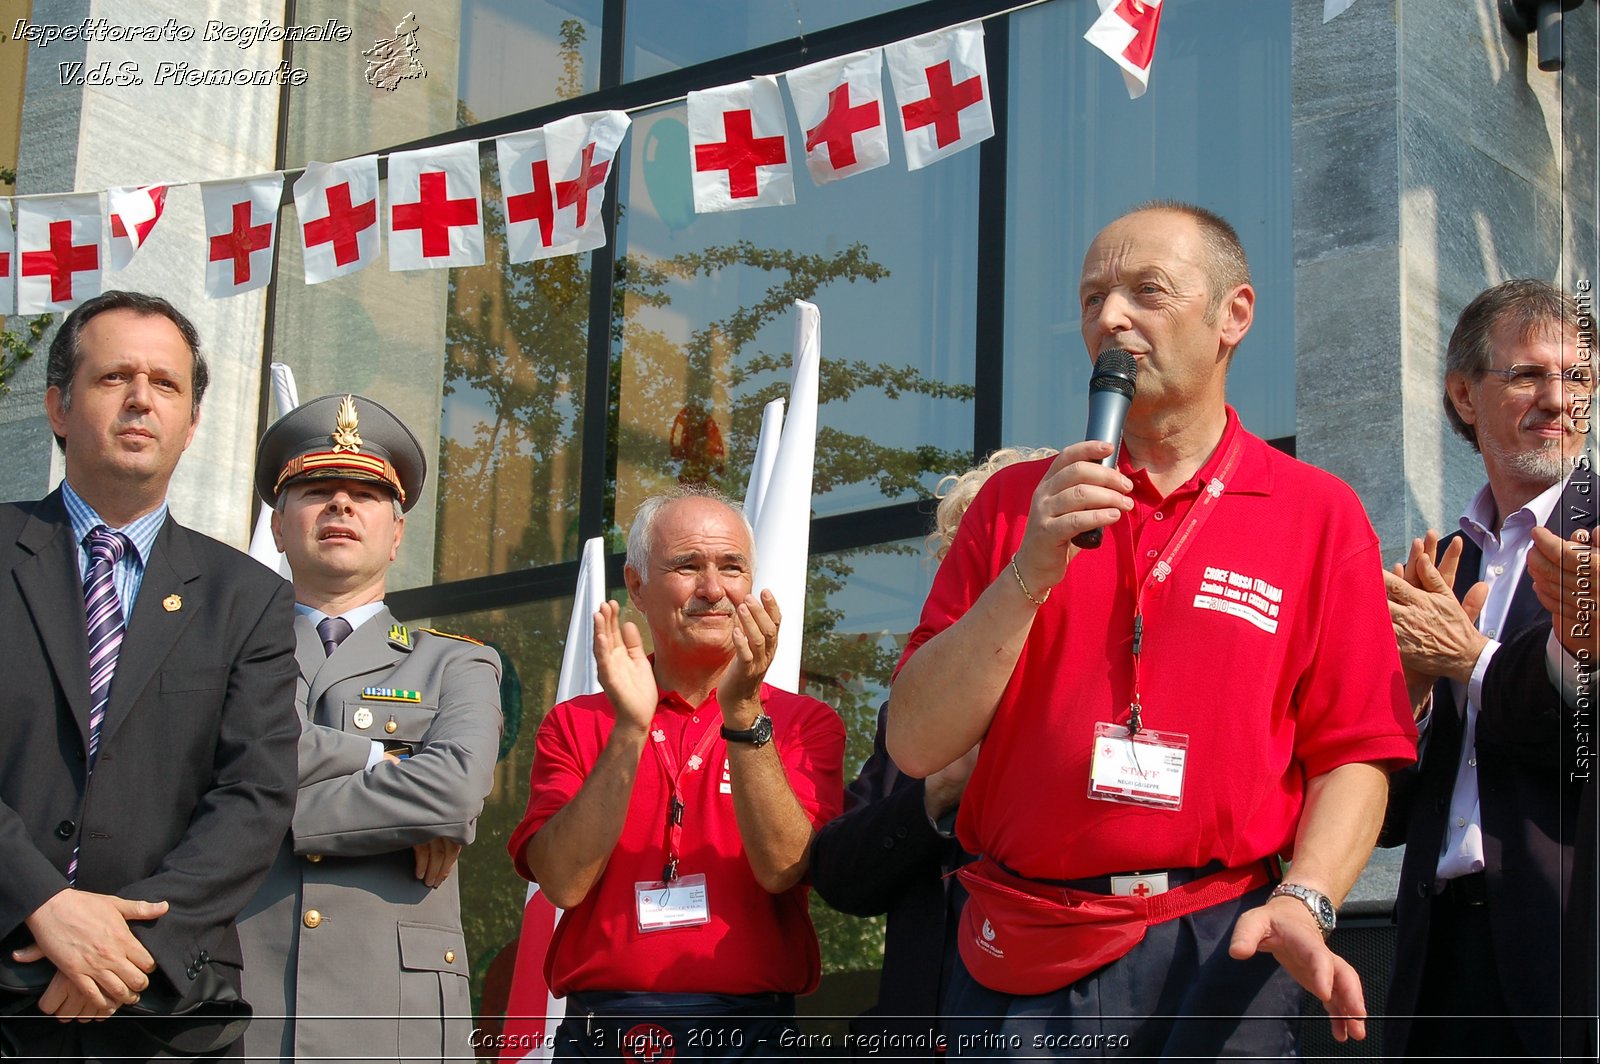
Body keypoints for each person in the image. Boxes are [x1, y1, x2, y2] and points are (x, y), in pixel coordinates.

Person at [887, 202, 1417, 1057]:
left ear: (1232, 317)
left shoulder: (1317, 514)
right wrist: (1028, 575)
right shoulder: (1017, 507)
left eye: (1147, 291)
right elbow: (914, 742)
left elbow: (1357, 747)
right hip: (1022, 948)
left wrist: (1307, 897)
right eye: (1093, 296)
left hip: (1223, 939)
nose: (1110, 318)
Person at [0, 290, 299, 1060]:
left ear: (192, 424)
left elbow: (255, 796)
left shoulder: (249, 596)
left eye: (165, 384)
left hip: (163, 1007)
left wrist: (122, 947)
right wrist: (41, 903)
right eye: (113, 379)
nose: (141, 399)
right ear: (58, 408)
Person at [508, 486, 845, 1060]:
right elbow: (562, 883)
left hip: (751, 1032)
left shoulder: (801, 722)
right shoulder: (577, 722)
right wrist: (630, 731)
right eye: (688, 566)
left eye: (731, 567)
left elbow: (785, 869)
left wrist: (743, 715)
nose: (714, 589)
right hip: (605, 1031)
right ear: (636, 585)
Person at [237, 393, 503, 1062]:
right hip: (246, 998)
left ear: (397, 533)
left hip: (394, 1013)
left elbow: (452, 792)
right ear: (277, 524)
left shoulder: (459, 661)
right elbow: (196, 775)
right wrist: (387, 762)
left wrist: (259, 802)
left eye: (363, 494)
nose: (340, 506)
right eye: (317, 490)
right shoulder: (218, 653)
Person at [1380, 278, 1591, 1058]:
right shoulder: (1441, 563)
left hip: (1569, 951)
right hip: (1437, 958)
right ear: (1463, 395)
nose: (1559, 399)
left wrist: (1468, 660)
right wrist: (1410, 696)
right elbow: (1394, 819)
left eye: (1578, 377)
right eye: (1530, 374)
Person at [811, 447, 1054, 1058]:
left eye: (1002, 561)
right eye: (962, 562)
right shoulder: (912, 715)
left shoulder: (1094, 708)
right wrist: (934, 794)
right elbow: (841, 876)